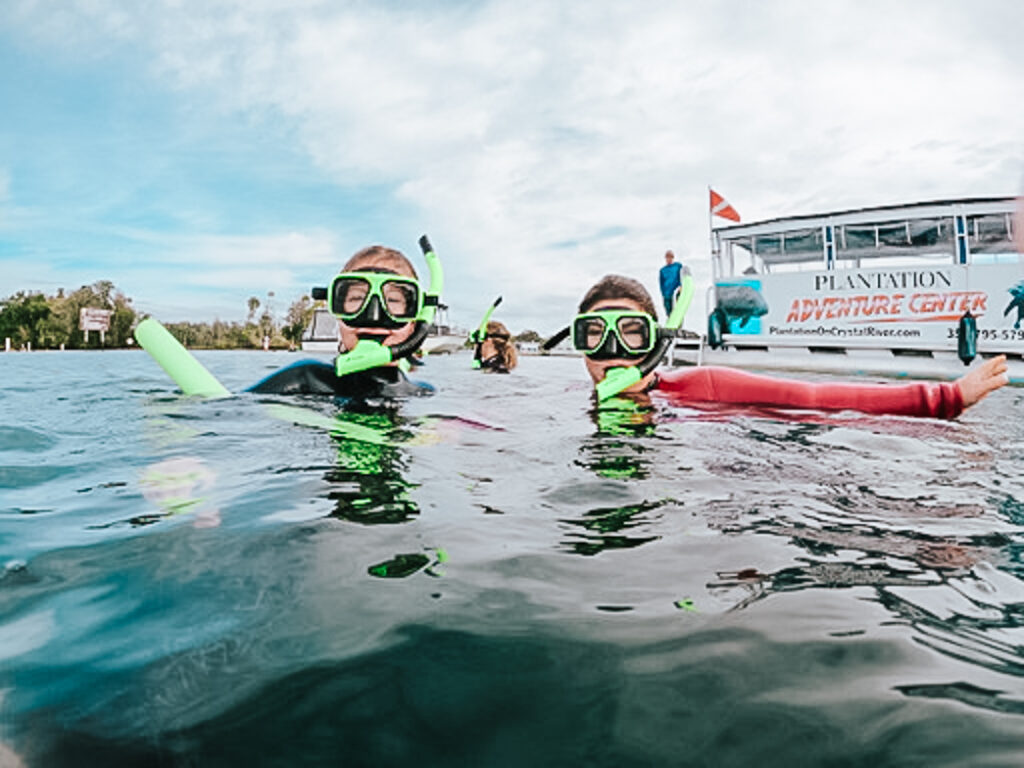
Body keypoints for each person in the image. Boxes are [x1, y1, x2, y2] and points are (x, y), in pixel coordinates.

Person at [572, 274, 1008, 418]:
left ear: (658, 338)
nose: (613, 349)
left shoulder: (698, 386)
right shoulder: (569, 404)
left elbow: (813, 398)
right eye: (594, 332)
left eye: (632, 330)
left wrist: (946, 396)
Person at [247, 244, 436, 398]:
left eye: (393, 301)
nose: (373, 316)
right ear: (337, 310)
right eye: (356, 299)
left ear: (415, 321)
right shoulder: (305, 379)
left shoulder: (422, 394)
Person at [658, 250, 686, 317]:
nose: (669, 259)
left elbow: (682, 275)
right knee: (669, 311)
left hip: (677, 290)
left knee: (678, 309)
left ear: (673, 258)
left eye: (670, 258)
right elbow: (661, 283)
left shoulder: (678, 266)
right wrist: (663, 293)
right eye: (667, 258)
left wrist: (681, 286)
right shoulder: (662, 270)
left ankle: (679, 323)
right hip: (667, 293)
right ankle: (670, 323)